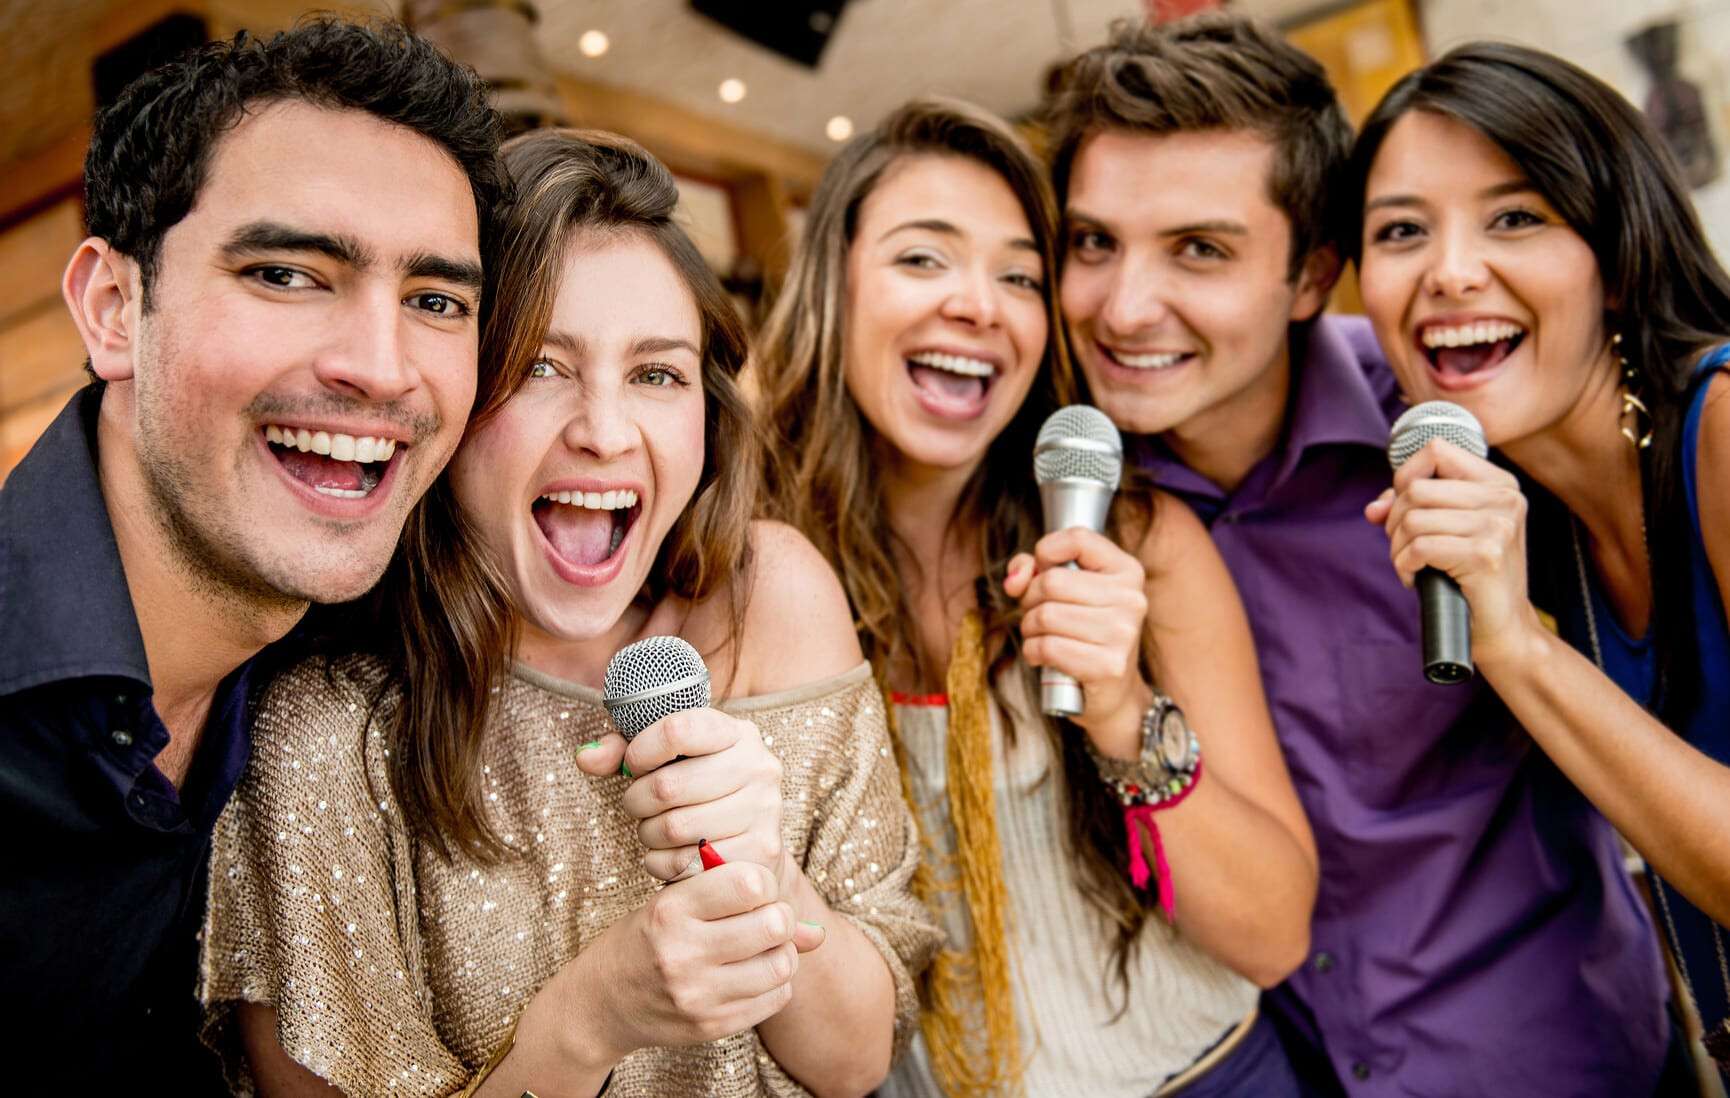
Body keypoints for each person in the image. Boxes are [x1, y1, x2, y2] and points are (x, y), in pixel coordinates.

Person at [199, 128, 938, 1098]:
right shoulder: (326, 729)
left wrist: (764, 873)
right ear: (453, 395)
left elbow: (851, 1063)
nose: (602, 431)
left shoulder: (773, 595)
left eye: (656, 374)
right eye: (542, 367)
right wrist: (590, 1018)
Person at [1045, 14, 1681, 1095]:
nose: (1121, 306)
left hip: (1558, 1059)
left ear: (1310, 276)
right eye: (1092, 242)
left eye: (1197, 248)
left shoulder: (1465, 429)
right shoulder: (1070, 497)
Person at [761, 97, 1316, 1098]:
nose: (977, 303)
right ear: (833, 287)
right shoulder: (745, 568)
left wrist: (1119, 712)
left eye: (1018, 274)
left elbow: (1275, 935)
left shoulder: (1137, 542)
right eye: (921, 258)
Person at [0, 20, 502, 1092]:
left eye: (435, 302)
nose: (380, 367)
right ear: (111, 308)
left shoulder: (366, 664)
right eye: (285, 273)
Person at [1350, 40, 1730, 1087]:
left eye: (1514, 216)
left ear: (1615, 254)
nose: (1448, 272)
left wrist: (1511, 645)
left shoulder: (1721, 429)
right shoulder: (1538, 512)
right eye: (1398, 233)